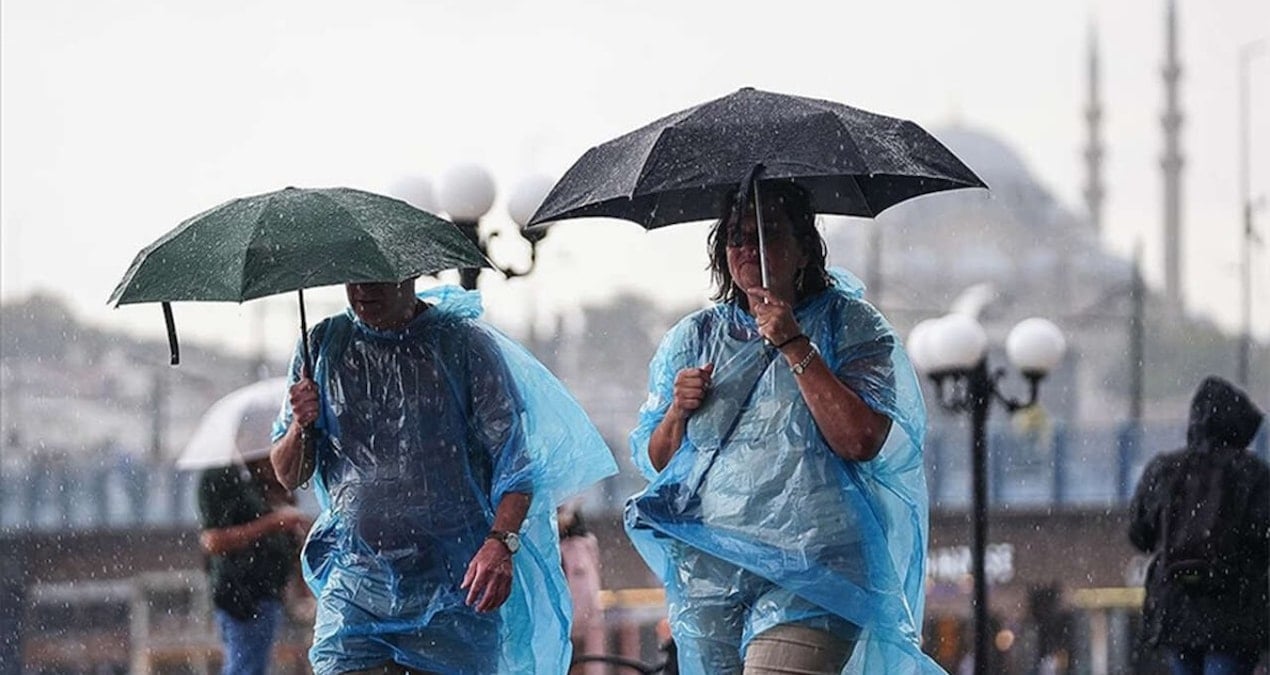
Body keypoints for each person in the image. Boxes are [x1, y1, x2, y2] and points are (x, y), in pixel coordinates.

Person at [625, 180, 939, 673]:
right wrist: (677, 412)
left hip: (817, 565)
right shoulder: (696, 337)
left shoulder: (850, 324)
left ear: (803, 249)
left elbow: (860, 439)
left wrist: (795, 344)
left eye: (767, 232)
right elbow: (662, 463)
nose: (748, 248)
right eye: (736, 237)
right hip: (712, 569)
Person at [270, 279, 615, 675]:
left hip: (454, 594)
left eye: (377, 277)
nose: (363, 289)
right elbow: (288, 473)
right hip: (357, 590)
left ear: (408, 274)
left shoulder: (464, 347)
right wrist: (301, 425)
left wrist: (500, 543)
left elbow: (516, 466)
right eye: (354, 278)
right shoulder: (322, 347)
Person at [1128, 375, 1268, 675]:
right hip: (1235, 612)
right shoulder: (1253, 474)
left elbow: (1140, 534)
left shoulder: (1163, 470)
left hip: (1176, 608)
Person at [198, 404, 310, 675]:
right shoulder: (223, 477)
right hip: (242, 592)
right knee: (246, 665)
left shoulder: (261, 481)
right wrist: (271, 523)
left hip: (267, 590)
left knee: (253, 663)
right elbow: (213, 540)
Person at [558, 502, 604, 674]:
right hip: (567, 616)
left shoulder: (581, 546)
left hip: (581, 614)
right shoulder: (555, 548)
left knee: (587, 657)